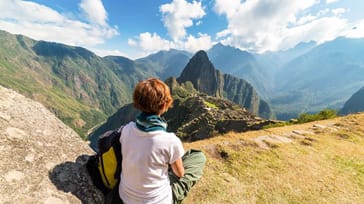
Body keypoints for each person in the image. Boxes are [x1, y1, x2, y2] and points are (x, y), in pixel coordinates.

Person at [116, 78, 206, 204]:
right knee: (198, 156)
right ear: (164, 105)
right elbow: (180, 174)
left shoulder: (126, 130)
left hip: (125, 197)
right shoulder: (169, 140)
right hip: (158, 201)